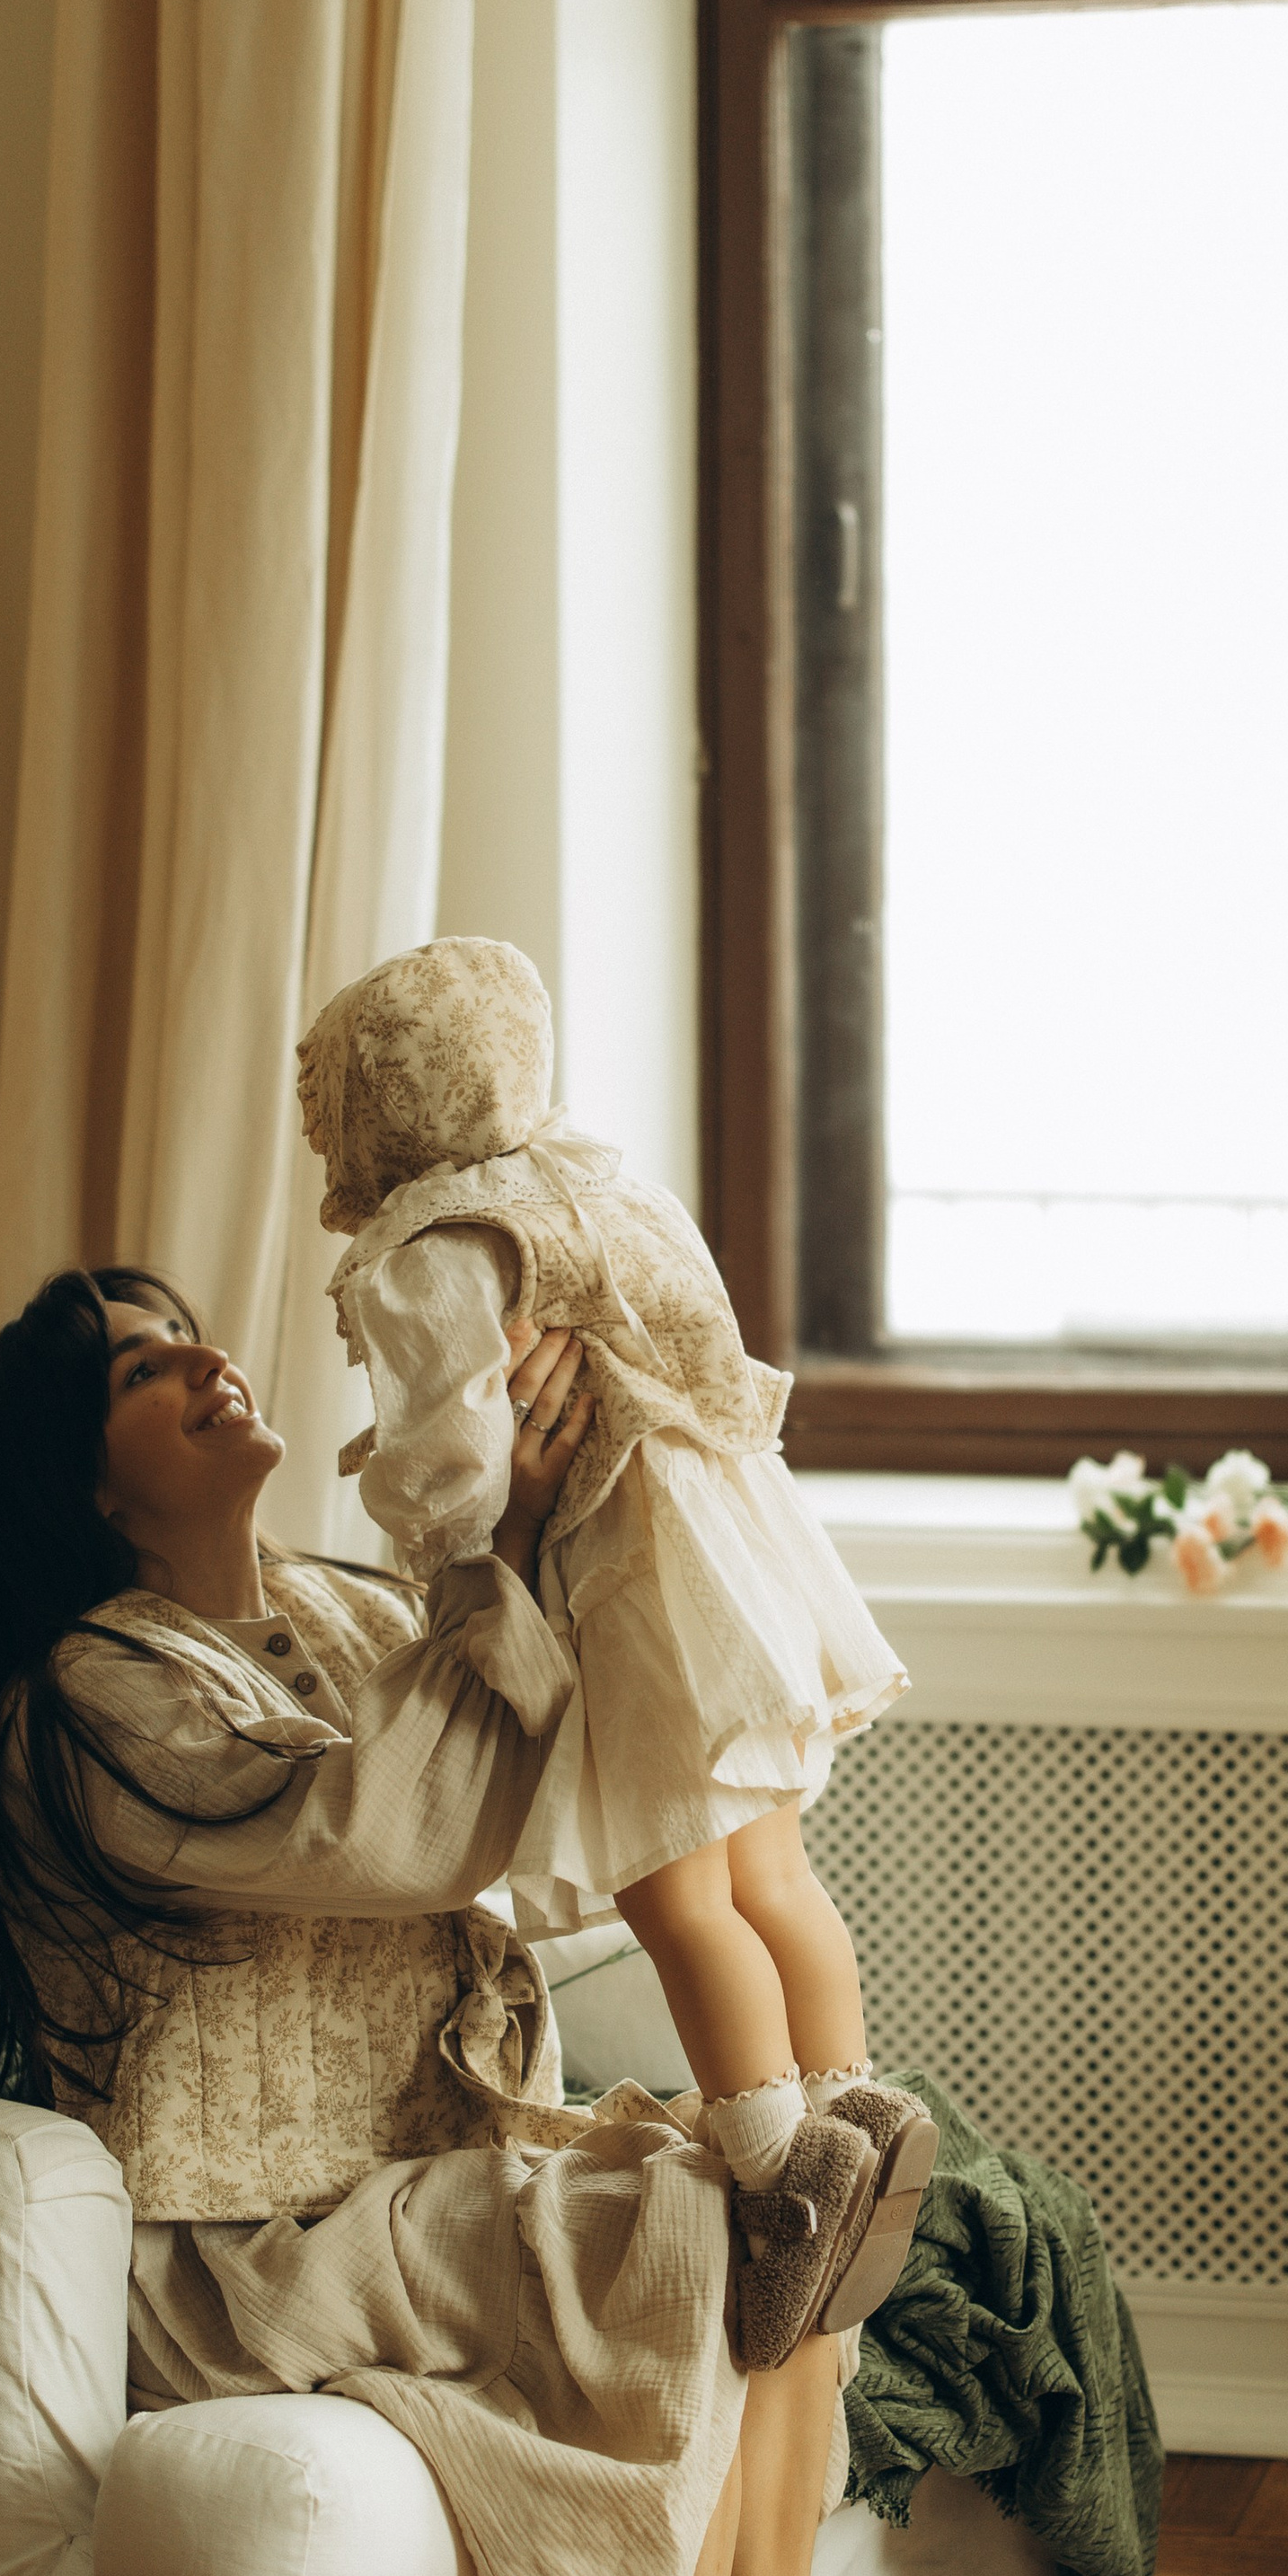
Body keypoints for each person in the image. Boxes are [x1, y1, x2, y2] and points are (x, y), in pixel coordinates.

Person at [0, 1265, 1022, 2576]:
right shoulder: (85, 1702)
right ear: (89, 1487)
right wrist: (488, 1537)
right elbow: (391, 1827)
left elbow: (562, 1770)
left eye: (188, 1326)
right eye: (142, 1368)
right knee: (705, 2205)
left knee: (794, 2186)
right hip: (243, 2249)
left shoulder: (344, 1605)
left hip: (420, 2175)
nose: (203, 1357)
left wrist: (550, 1470)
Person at [296, 938, 935, 2377]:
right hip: (736, 1542)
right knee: (773, 1874)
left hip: (630, 1570)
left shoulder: (432, 1251)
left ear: (381, 1110)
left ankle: (786, 2182)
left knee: (673, 1892)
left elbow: (455, 1462)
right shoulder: (600, 1177)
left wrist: (421, 1511)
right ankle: (861, 2111)